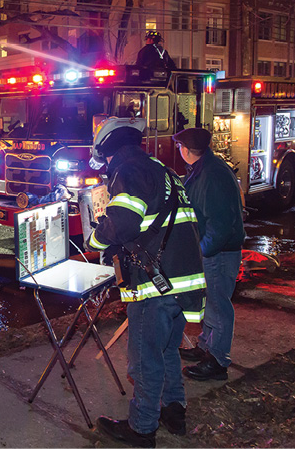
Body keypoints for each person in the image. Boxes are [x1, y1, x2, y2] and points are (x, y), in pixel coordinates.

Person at [85, 117, 206, 448]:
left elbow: (122, 223)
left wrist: (94, 239)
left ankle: (142, 428)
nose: (107, 168)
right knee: (167, 350)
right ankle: (174, 410)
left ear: (111, 151)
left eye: (105, 160)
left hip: (155, 286)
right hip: (183, 282)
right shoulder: (164, 171)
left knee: (145, 360)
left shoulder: (129, 172)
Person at [173, 127, 246, 382]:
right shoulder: (205, 169)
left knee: (217, 305)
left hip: (218, 254)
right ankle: (206, 346)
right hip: (215, 251)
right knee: (211, 305)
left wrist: (201, 253)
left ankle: (217, 360)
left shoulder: (211, 176)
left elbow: (220, 226)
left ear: (185, 149)